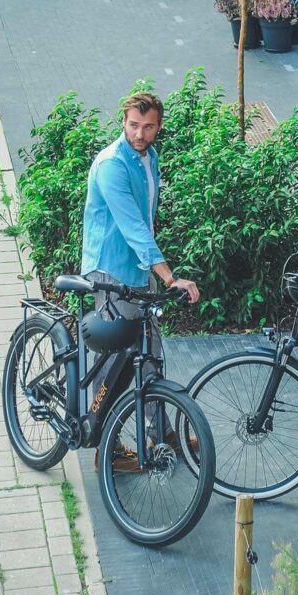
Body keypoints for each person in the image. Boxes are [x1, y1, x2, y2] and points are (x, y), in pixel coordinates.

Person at [81, 91, 199, 466]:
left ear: (158, 127)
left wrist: (152, 269)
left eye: (148, 127)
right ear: (124, 121)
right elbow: (133, 227)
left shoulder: (150, 158)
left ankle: (159, 434)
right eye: (134, 125)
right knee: (113, 359)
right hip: (111, 271)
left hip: (138, 269)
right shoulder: (112, 165)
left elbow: (146, 222)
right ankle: (106, 445)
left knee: (150, 353)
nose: (140, 133)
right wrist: (169, 277)